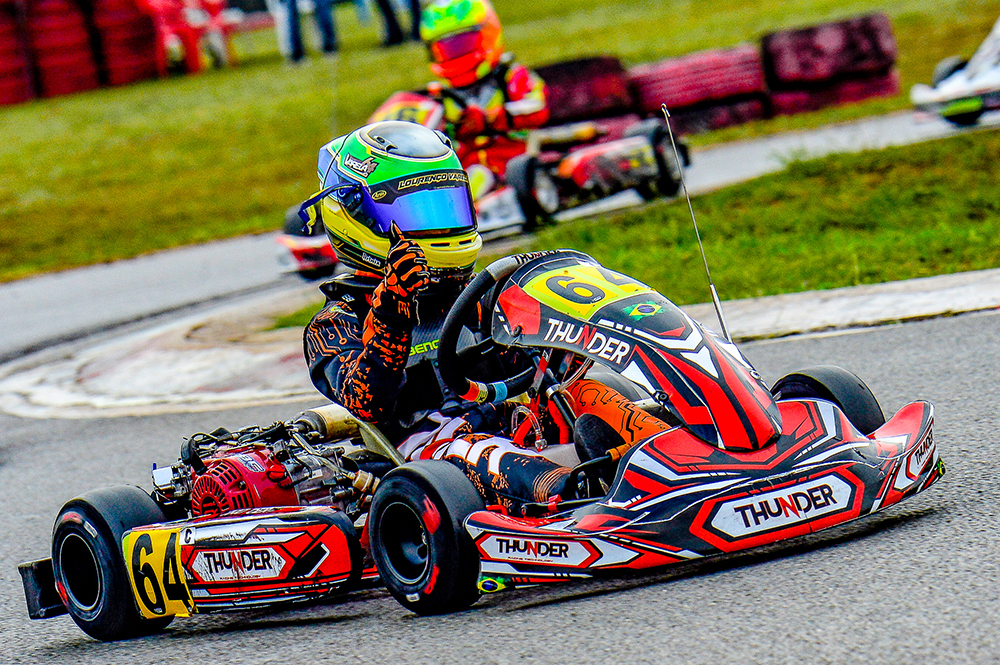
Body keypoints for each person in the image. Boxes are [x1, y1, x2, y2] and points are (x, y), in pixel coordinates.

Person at [301, 121, 669, 511]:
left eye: (447, 206)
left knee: (588, 392)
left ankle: (673, 456)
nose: (439, 226)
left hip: (518, 419)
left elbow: (544, 363)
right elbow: (368, 402)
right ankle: (573, 492)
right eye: (419, 213)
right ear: (354, 217)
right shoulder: (336, 322)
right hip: (434, 453)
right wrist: (392, 313)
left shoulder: (480, 293)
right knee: (471, 446)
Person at [419, 0, 549, 196]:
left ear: (489, 35)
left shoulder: (511, 77)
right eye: (446, 49)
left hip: (514, 160)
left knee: (478, 176)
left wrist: (491, 118)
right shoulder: (440, 97)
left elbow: (538, 107)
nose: (455, 53)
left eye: (463, 44)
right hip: (465, 168)